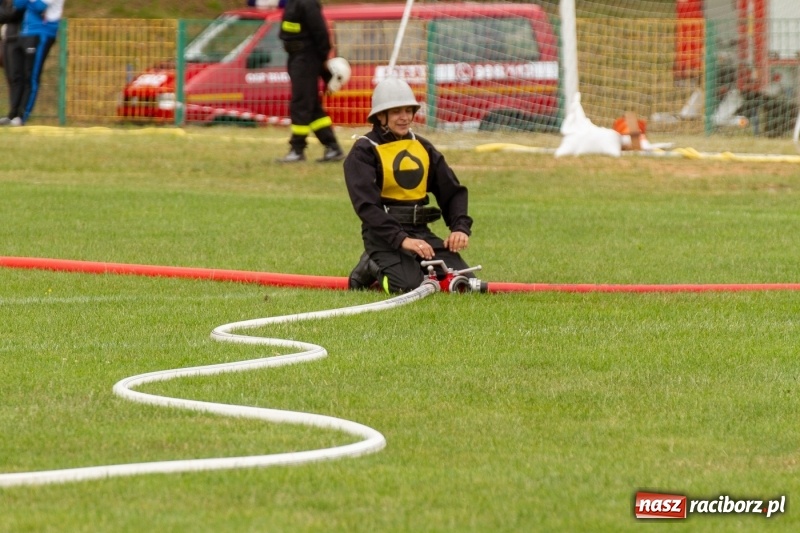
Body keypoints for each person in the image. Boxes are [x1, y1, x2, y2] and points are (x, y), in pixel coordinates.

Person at [343, 77, 474, 293]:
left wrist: (459, 227)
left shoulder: (422, 147)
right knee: (409, 286)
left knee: (462, 283)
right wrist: (401, 239)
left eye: (408, 111)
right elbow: (367, 207)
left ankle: (409, 266)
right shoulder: (363, 152)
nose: (404, 118)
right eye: (396, 112)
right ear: (380, 116)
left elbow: (451, 191)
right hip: (383, 236)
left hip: (420, 232)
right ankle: (372, 266)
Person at [277, 0, 344, 163]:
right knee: (312, 106)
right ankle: (332, 147)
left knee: (301, 103)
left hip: (306, 57)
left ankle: (297, 149)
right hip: (296, 57)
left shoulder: (307, 3)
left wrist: (320, 61)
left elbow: (321, 33)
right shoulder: (291, 2)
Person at [12, 0, 64, 125]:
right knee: (20, 75)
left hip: (43, 33)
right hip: (26, 32)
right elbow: (18, 5)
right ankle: (13, 114)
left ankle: (22, 117)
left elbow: (39, 7)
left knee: (32, 75)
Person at [0, 0, 24, 125]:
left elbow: (13, 14)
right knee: (10, 78)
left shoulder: (19, 3)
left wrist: (5, 14)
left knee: (16, 77)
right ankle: (12, 114)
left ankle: (17, 114)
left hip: (16, 38)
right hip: (6, 39)